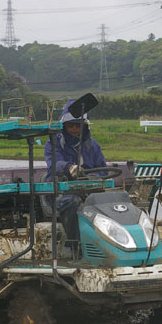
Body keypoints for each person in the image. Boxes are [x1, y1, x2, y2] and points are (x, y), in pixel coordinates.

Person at [44, 98, 107, 248]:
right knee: (72, 202)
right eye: (70, 126)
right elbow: (55, 164)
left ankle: (109, 244)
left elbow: (103, 170)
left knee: (111, 201)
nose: (74, 129)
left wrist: (93, 177)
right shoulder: (53, 144)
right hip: (60, 193)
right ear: (63, 126)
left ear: (84, 127)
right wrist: (70, 168)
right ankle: (75, 245)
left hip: (88, 191)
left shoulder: (93, 146)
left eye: (78, 126)